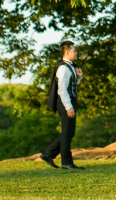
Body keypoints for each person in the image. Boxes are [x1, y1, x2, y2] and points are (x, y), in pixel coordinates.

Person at [40, 41, 84, 170]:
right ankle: (66, 162)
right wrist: (68, 107)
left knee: (69, 132)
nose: (76, 53)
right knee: (67, 133)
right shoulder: (64, 68)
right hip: (65, 103)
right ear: (67, 52)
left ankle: (48, 154)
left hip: (69, 102)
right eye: (74, 51)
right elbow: (62, 90)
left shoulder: (69, 67)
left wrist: (79, 78)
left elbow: (71, 85)